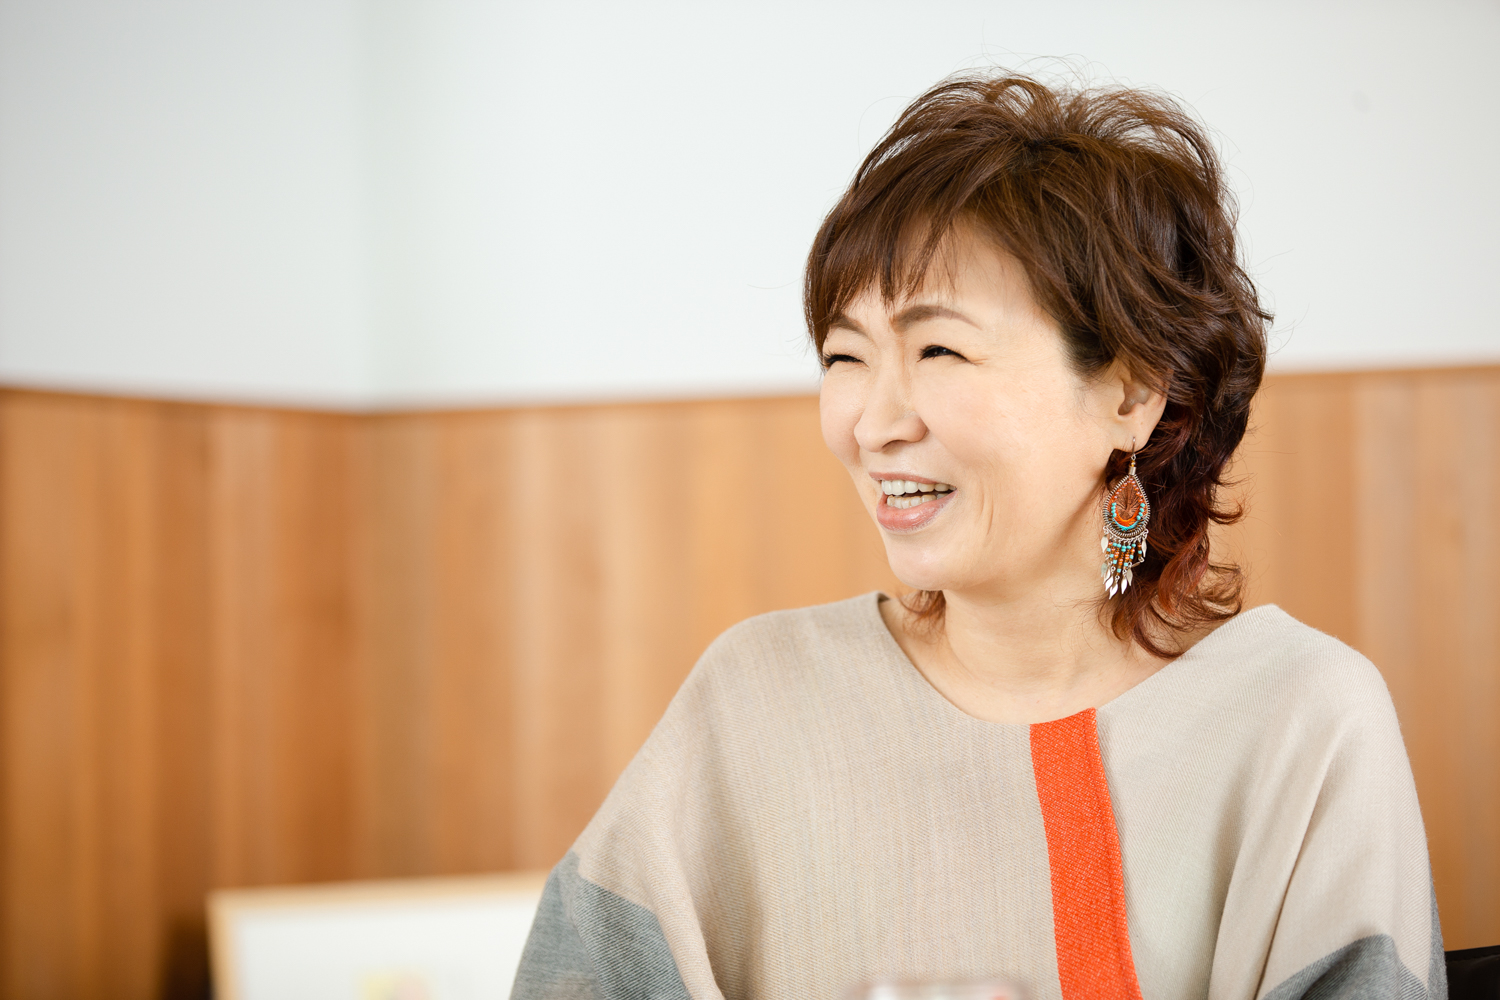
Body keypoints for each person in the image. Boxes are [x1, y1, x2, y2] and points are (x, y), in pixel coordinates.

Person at [512, 72, 1443, 1000]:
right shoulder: (754, 698)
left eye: (939, 349)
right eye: (844, 356)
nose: (874, 423)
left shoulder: (1301, 719)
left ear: (1131, 394)